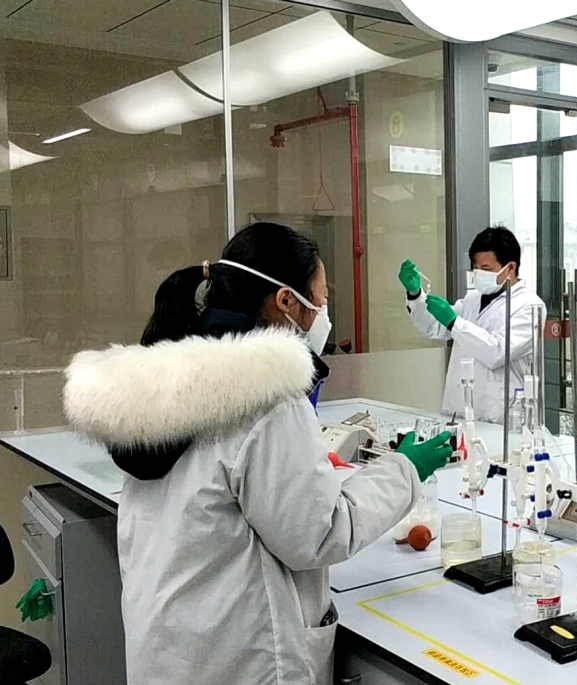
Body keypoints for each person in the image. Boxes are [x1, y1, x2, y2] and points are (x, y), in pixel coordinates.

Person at [62, 223, 451, 685]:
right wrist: (405, 470)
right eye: (320, 302)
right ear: (286, 301)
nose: (323, 316)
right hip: (240, 656)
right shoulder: (265, 396)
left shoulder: (174, 375)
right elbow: (317, 535)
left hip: (171, 646)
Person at [399, 226, 545, 424]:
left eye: (486, 269)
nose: (478, 273)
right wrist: (415, 295)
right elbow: (435, 328)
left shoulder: (530, 306)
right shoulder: (473, 299)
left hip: (500, 419)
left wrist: (454, 322)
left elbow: (498, 351)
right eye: (475, 267)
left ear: (511, 268)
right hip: (458, 412)